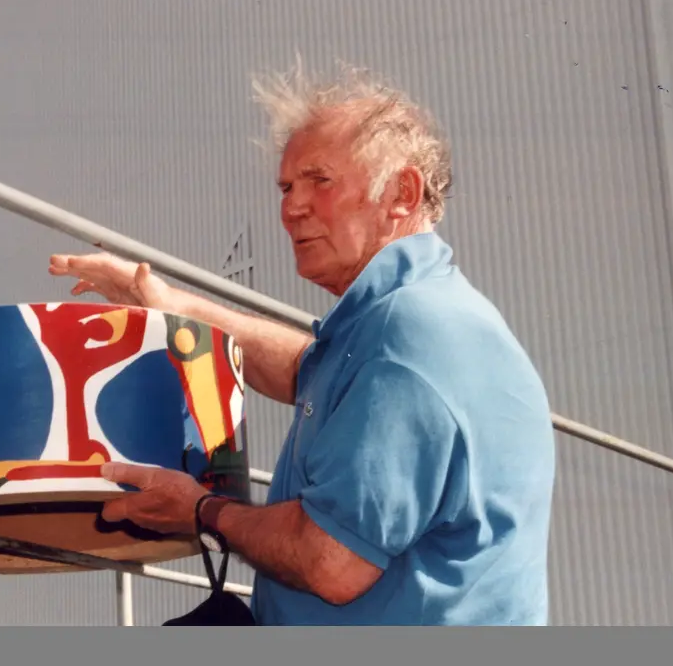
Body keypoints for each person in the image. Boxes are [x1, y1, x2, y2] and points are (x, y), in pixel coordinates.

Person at [48, 61, 556, 626]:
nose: (292, 208)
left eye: (321, 181)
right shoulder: (412, 320)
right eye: (287, 187)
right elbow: (305, 369)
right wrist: (175, 308)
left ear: (402, 193)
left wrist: (202, 509)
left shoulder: (408, 335)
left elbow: (330, 562)